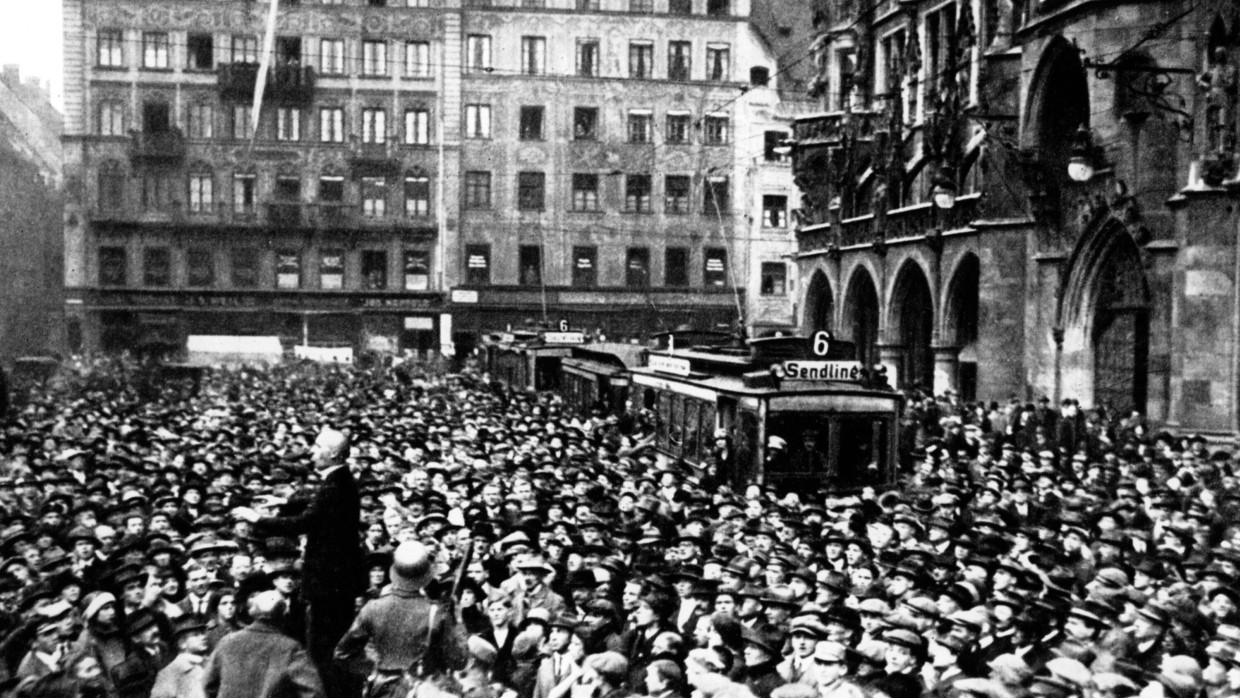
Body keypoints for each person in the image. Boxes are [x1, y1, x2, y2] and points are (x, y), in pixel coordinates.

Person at [234, 426, 365, 698]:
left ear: (332, 454)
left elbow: (304, 521)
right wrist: (285, 499)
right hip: (337, 581)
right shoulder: (339, 480)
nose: (312, 451)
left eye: (317, 447)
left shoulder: (335, 487)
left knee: (323, 650)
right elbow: (315, 501)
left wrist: (257, 519)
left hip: (328, 584)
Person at [334, 541, 468, 698]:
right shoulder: (435, 612)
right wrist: (458, 620)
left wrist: (375, 670)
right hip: (424, 689)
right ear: (426, 575)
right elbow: (459, 661)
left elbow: (342, 654)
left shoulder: (372, 607)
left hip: (383, 689)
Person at [203, 590, 324, 698]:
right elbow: (314, 692)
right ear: (283, 615)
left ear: (253, 612)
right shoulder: (290, 648)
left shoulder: (227, 641)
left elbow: (208, 685)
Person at [151, 615, 209, 698]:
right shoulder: (169, 673)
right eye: (196, 634)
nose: (203, 637)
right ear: (182, 643)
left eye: (202, 633)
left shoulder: (210, 662)